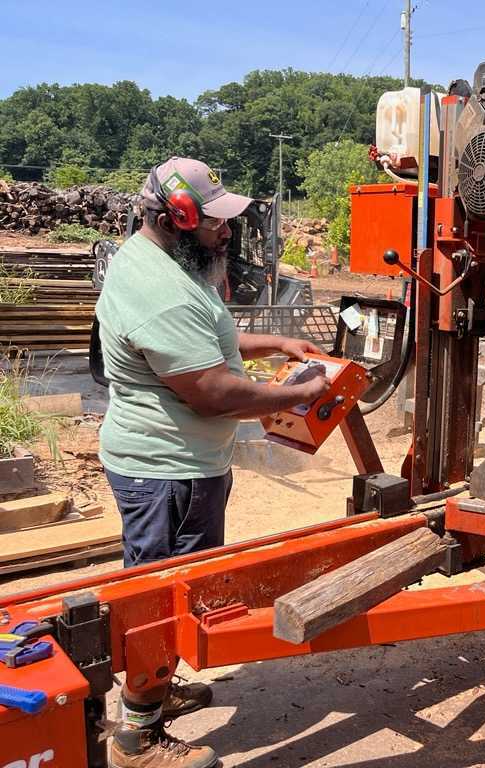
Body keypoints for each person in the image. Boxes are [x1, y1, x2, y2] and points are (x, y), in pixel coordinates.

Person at [96, 157, 330, 768]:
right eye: (216, 223)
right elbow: (214, 390)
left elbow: (213, 336)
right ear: (177, 217)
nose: (227, 232)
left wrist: (274, 342)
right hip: (164, 471)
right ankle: (136, 740)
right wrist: (302, 394)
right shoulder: (158, 288)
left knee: (184, 587)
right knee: (157, 599)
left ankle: (155, 691)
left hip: (187, 465)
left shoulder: (172, 263)